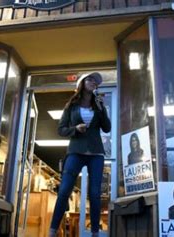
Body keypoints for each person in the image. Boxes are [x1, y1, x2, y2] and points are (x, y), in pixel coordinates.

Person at [49, 72, 111, 237]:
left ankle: (95, 232)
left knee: (95, 193)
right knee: (64, 190)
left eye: (95, 82)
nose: (93, 83)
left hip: (96, 152)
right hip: (76, 150)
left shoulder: (98, 105)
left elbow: (107, 128)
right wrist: (75, 129)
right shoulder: (71, 106)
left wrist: (102, 109)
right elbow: (61, 129)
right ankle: (52, 230)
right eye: (90, 79)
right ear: (82, 83)